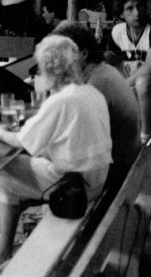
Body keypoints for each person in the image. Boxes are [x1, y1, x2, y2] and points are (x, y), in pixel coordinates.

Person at [0, 35, 111, 277]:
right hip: (98, 178)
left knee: (8, 169)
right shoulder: (90, 92)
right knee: (18, 179)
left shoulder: (60, 101)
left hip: (75, 188)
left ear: (50, 70)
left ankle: (1, 250)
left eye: (39, 68)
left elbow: (24, 141)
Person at [52, 21, 141, 192]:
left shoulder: (97, 84)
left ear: (84, 53)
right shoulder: (102, 71)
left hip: (114, 174)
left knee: (17, 177)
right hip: (123, 163)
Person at [108, 0, 150, 80]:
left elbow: (148, 67)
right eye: (130, 8)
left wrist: (125, 86)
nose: (137, 13)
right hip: (130, 83)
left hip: (146, 85)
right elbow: (112, 59)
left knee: (143, 84)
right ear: (121, 14)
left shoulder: (149, 31)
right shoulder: (117, 31)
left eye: (140, 6)